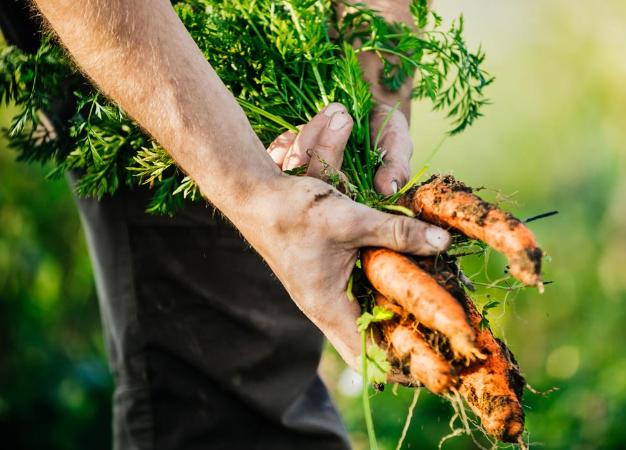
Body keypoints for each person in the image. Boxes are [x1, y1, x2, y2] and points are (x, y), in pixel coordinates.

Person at [1, 0, 451, 448]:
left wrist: (380, 93)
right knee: (227, 396)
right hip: (144, 29)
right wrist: (251, 189)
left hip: (288, 32)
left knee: (273, 378)